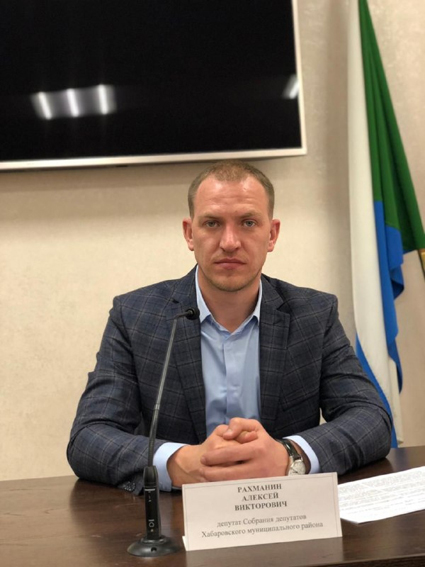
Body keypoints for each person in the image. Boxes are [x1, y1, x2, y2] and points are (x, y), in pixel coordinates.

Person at [67, 160, 391, 493]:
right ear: (190, 233)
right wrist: (180, 462)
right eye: (212, 223)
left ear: (272, 234)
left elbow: (371, 418)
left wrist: (288, 456)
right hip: (178, 514)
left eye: (248, 222)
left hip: (284, 509)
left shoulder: (313, 315)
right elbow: (89, 437)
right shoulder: (136, 317)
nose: (230, 242)